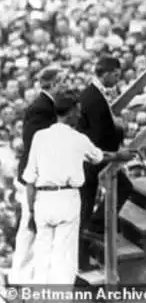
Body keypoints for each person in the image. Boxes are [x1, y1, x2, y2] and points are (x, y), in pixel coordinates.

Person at [21, 92, 134, 285]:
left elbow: (30, 178)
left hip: (42, 199)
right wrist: (120, 156)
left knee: (43, 252)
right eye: (78, 111)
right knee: (65, 256)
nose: (80, 115)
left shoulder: (40, 137)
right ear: (71, 112)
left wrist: (32, 209)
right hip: (66, 198)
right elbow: (100, 156)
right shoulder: (77, 138)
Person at [9, 66, 65, 285]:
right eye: (62, 81)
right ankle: (19, 276)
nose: (65, 86)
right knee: (29, 227)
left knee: (37, 227)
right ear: (51, 84)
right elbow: (34, 143)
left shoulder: (50, 106)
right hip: (35, 177)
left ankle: (29, 275)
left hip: (42, 176)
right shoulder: (40, 108)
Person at [77, 55, 133, 268]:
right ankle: (95, 226)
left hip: (94, 156)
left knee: (86, 206)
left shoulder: (94, 94)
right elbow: (99, 135)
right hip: (95, 158)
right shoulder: (93, 97)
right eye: (116, 75)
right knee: (123, 188)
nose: (118, 79)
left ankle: (82, 258)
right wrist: (117, 152)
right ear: (107, 73)